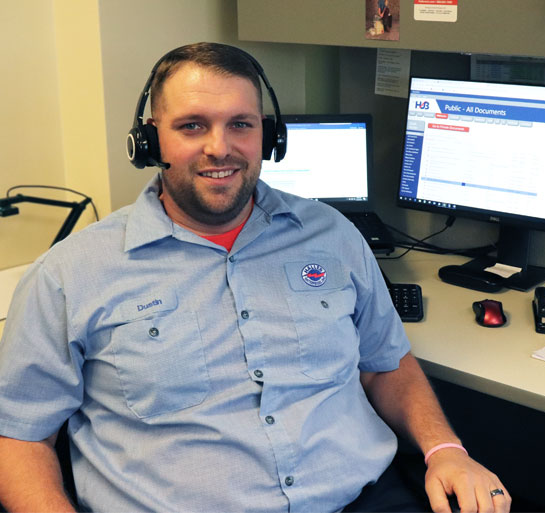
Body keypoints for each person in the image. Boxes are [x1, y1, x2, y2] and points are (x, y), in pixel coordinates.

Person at [0, 42, 510, 513]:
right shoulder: (69, 275)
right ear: (150, 140)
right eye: (193, 126)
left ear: (270, 136)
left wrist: (446, 451)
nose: (220, 148)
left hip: (366, 499)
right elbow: (20, 438)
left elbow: (385, 365)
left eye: (240, 124)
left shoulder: (331, 235)